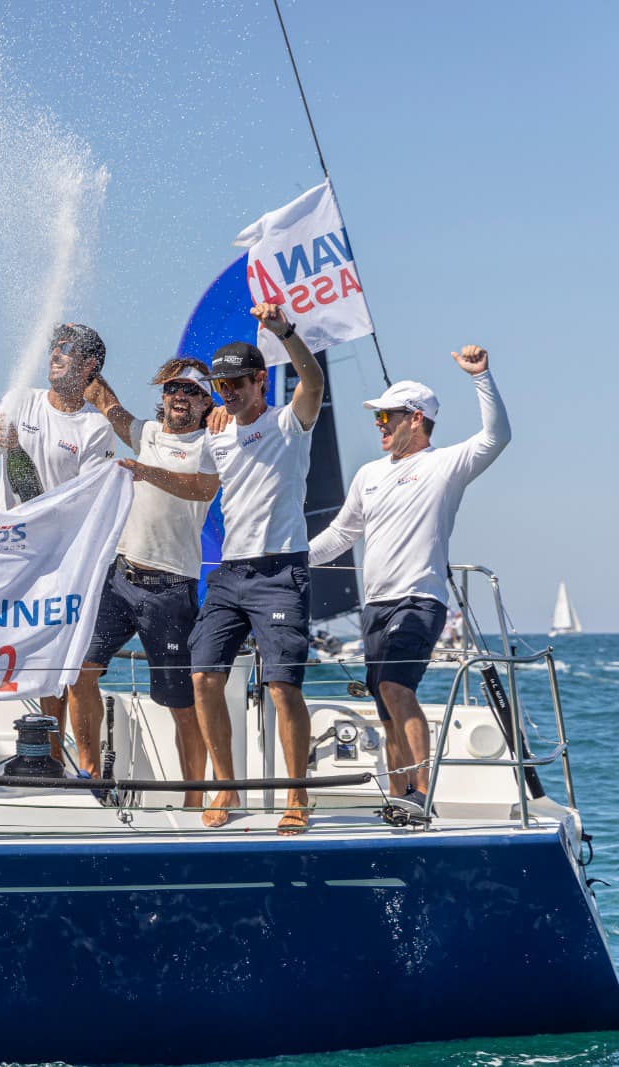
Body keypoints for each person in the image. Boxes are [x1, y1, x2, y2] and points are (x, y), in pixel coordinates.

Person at [309, 345, 508, 809]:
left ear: (415, 419)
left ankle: (422, 791)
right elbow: (342, 533)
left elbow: (497, 437)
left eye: (387, 418)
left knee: (398, 688)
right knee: (384, 703)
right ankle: (399, 798)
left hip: (419, 599)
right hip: (375, 606)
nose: (379, 425)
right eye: (378, 418)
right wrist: (293, 558)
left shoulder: (446, 465)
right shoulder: (369, 475)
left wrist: (481, 377)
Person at [187, 303, 324, 833]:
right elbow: (199, 487)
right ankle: (226, 787)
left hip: (280, 573)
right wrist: (137, 473)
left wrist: (284, 331)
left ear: (259, 381)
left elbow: (309, 380)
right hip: (229, 573)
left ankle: (297, 797)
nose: (227, 394)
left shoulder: (289, 422)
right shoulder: (216, 432)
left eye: (236, 384)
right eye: (221, 387)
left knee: (282, 686)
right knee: (202, 677)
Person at [0, 322, 118, 763]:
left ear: (89, 366)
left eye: (67, 349)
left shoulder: (95, 428)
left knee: (64, 665)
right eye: (53, 346)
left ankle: (69, 764)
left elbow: (82, 506)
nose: (55, 353)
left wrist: (20, 455)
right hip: (6, 554)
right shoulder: (20, 400)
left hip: (59, 561)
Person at [74, 358, 219, 807]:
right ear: (164, 397)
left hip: (171, 590)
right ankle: (90, 777)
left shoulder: (212, 443)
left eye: (192, 392)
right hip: (119, 578)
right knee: (78, 672)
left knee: (180, 703)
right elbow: (105, 401)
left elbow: (202, 489)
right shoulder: (147, 433)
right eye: (174, 389)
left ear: (205, 402)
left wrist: (146, 471)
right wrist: (82, 355)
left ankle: (193, 799)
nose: (181, 397)